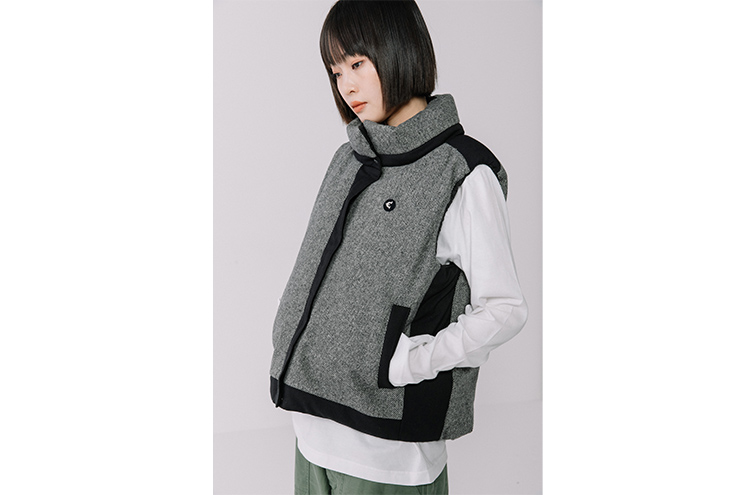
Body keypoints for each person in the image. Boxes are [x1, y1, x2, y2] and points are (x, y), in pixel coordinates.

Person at [269, 1, 528, 493]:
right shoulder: (349, 158)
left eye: (357, 64)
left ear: (399, 51)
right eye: (335, 71)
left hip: (388, 457)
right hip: (310, 432)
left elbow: (505, 308)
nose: (346, 86)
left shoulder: (462, 171)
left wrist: (410, 361)